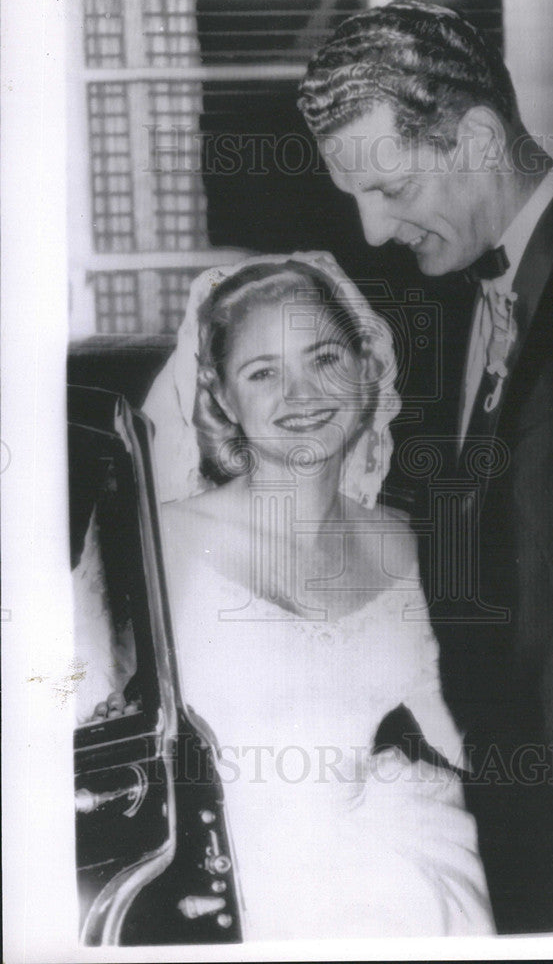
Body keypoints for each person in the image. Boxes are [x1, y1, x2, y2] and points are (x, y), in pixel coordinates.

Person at [298, 1, 553, 933]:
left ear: (478, 137)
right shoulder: (463, 293)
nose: (369, 232)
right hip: (518, 839)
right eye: (354, 196)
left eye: (391, 187)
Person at [78, 251, 495, 941]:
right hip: (220, 893)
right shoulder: (153, 545)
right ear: (220, 397)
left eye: (322, 358)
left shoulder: (414, 544)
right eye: (262, 372)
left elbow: (469, 733)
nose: (299, 396)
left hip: (416, 888)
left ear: (366, 369)